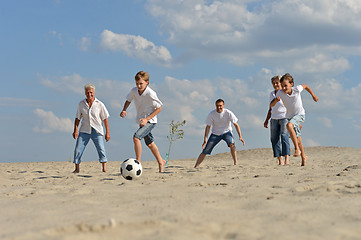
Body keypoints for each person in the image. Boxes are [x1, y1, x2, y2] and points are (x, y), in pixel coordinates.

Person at [120, 71, 167, 173]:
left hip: (150, 121)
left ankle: (138, 162)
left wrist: (147, 119)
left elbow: (159, 108)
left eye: (141, 83)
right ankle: (161, 161)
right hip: (141, 121)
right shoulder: (134, 91)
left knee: (136, 137)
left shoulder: (151, 93)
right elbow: (128, 100)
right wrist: (124, 110)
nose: (139, 86)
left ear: (147, 82)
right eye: (137, 83)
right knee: (150, 144)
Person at [270, 73, 319, 166]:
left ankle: (297, 149)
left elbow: (306, 86)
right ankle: (303, 157)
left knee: (289, 125)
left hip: (300, 115)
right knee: (298, 138)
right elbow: (271, 105)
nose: (284, 88)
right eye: (282, 86)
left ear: (291, 84)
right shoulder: (280, 93)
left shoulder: (297, 89)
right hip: (290, 117)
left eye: (285, 86)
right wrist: (275, 101)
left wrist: (313, 96)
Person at [194, 99, 245, 168]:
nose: (219, 107)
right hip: (215, 134)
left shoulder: (228, 113)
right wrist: (205, 139)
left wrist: (240, 136)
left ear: (223, 105)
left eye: (220, 106)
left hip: (227, 132)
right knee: (205, 150)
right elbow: (208, 126)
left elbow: (236, 125)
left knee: (232, 144)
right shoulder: (212, 114)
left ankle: (235, 163)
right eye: (217, 106)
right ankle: (196, 166)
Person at [72, 84, 110, 173]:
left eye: (91, 92)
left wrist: (107, 132)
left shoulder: (100, 104)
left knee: (101, 148)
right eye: (87, 93)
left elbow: (105, 119)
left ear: (94, 92)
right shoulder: (81, 104)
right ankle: (77, 168)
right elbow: (77, 118)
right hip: (84, 130)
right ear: (85, 93)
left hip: (97, 130)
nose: (89, 94)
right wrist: (75, 130)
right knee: (78, 149)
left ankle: (104, 168)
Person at [264, 75, 290, 165]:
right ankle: (280, 159)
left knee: (284, 136)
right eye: (273, 83)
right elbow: (271, 106)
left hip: (284, 117)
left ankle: (287, 157)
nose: (275, 84)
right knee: (274, 139)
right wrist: (266, 120)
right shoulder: (272, 94)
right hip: (274, 118)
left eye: (277, 82)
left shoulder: (285, 92)